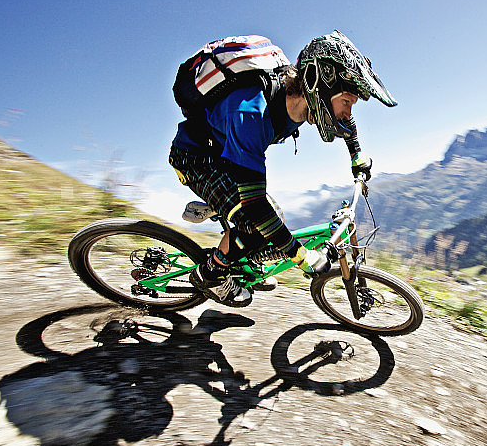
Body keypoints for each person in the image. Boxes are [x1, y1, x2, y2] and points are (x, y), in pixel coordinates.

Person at [169, 30, 396, 306]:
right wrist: (301, 256)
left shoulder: (302, 98)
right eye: (347, 101)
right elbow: (256, 209)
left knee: (268, 225)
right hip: (198, 160)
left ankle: (244, 260)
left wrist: (356, 155)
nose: (349, 112)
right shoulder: (250, 115)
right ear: (317, 86)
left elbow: (345, 122)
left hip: (229, 152)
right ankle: (211, 275)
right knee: (256, 224)